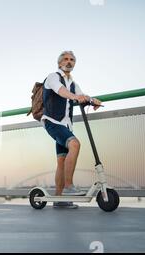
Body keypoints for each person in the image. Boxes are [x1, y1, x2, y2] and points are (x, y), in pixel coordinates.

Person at [42, 51, 101, 209]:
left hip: (66, 125)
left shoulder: (73, 83)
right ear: (60, 63)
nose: (69, 62)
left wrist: (92, 100)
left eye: (72, 60)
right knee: (75, 144)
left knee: (61, 161)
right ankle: (69, 186)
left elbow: (81, 95)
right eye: (66, 59)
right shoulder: (53, 77)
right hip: (53, 122)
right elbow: (61, 91)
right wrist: (75, 97)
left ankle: (59, 199)